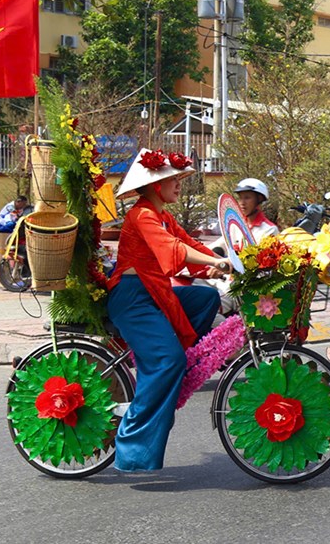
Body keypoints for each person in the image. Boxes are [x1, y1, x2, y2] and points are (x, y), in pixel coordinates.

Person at [106, 149, 227, 472]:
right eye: (173, 179)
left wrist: (217, 264)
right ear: (156, 185)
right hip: (131, 298)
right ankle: (131, 446)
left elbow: (190, 245)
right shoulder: (142, 215)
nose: (179, 185)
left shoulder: (163, 215)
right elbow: (171, 250)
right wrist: (213, 262)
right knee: (166, 361)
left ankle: (174, 369)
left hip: (153, 291)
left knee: (205, 299)